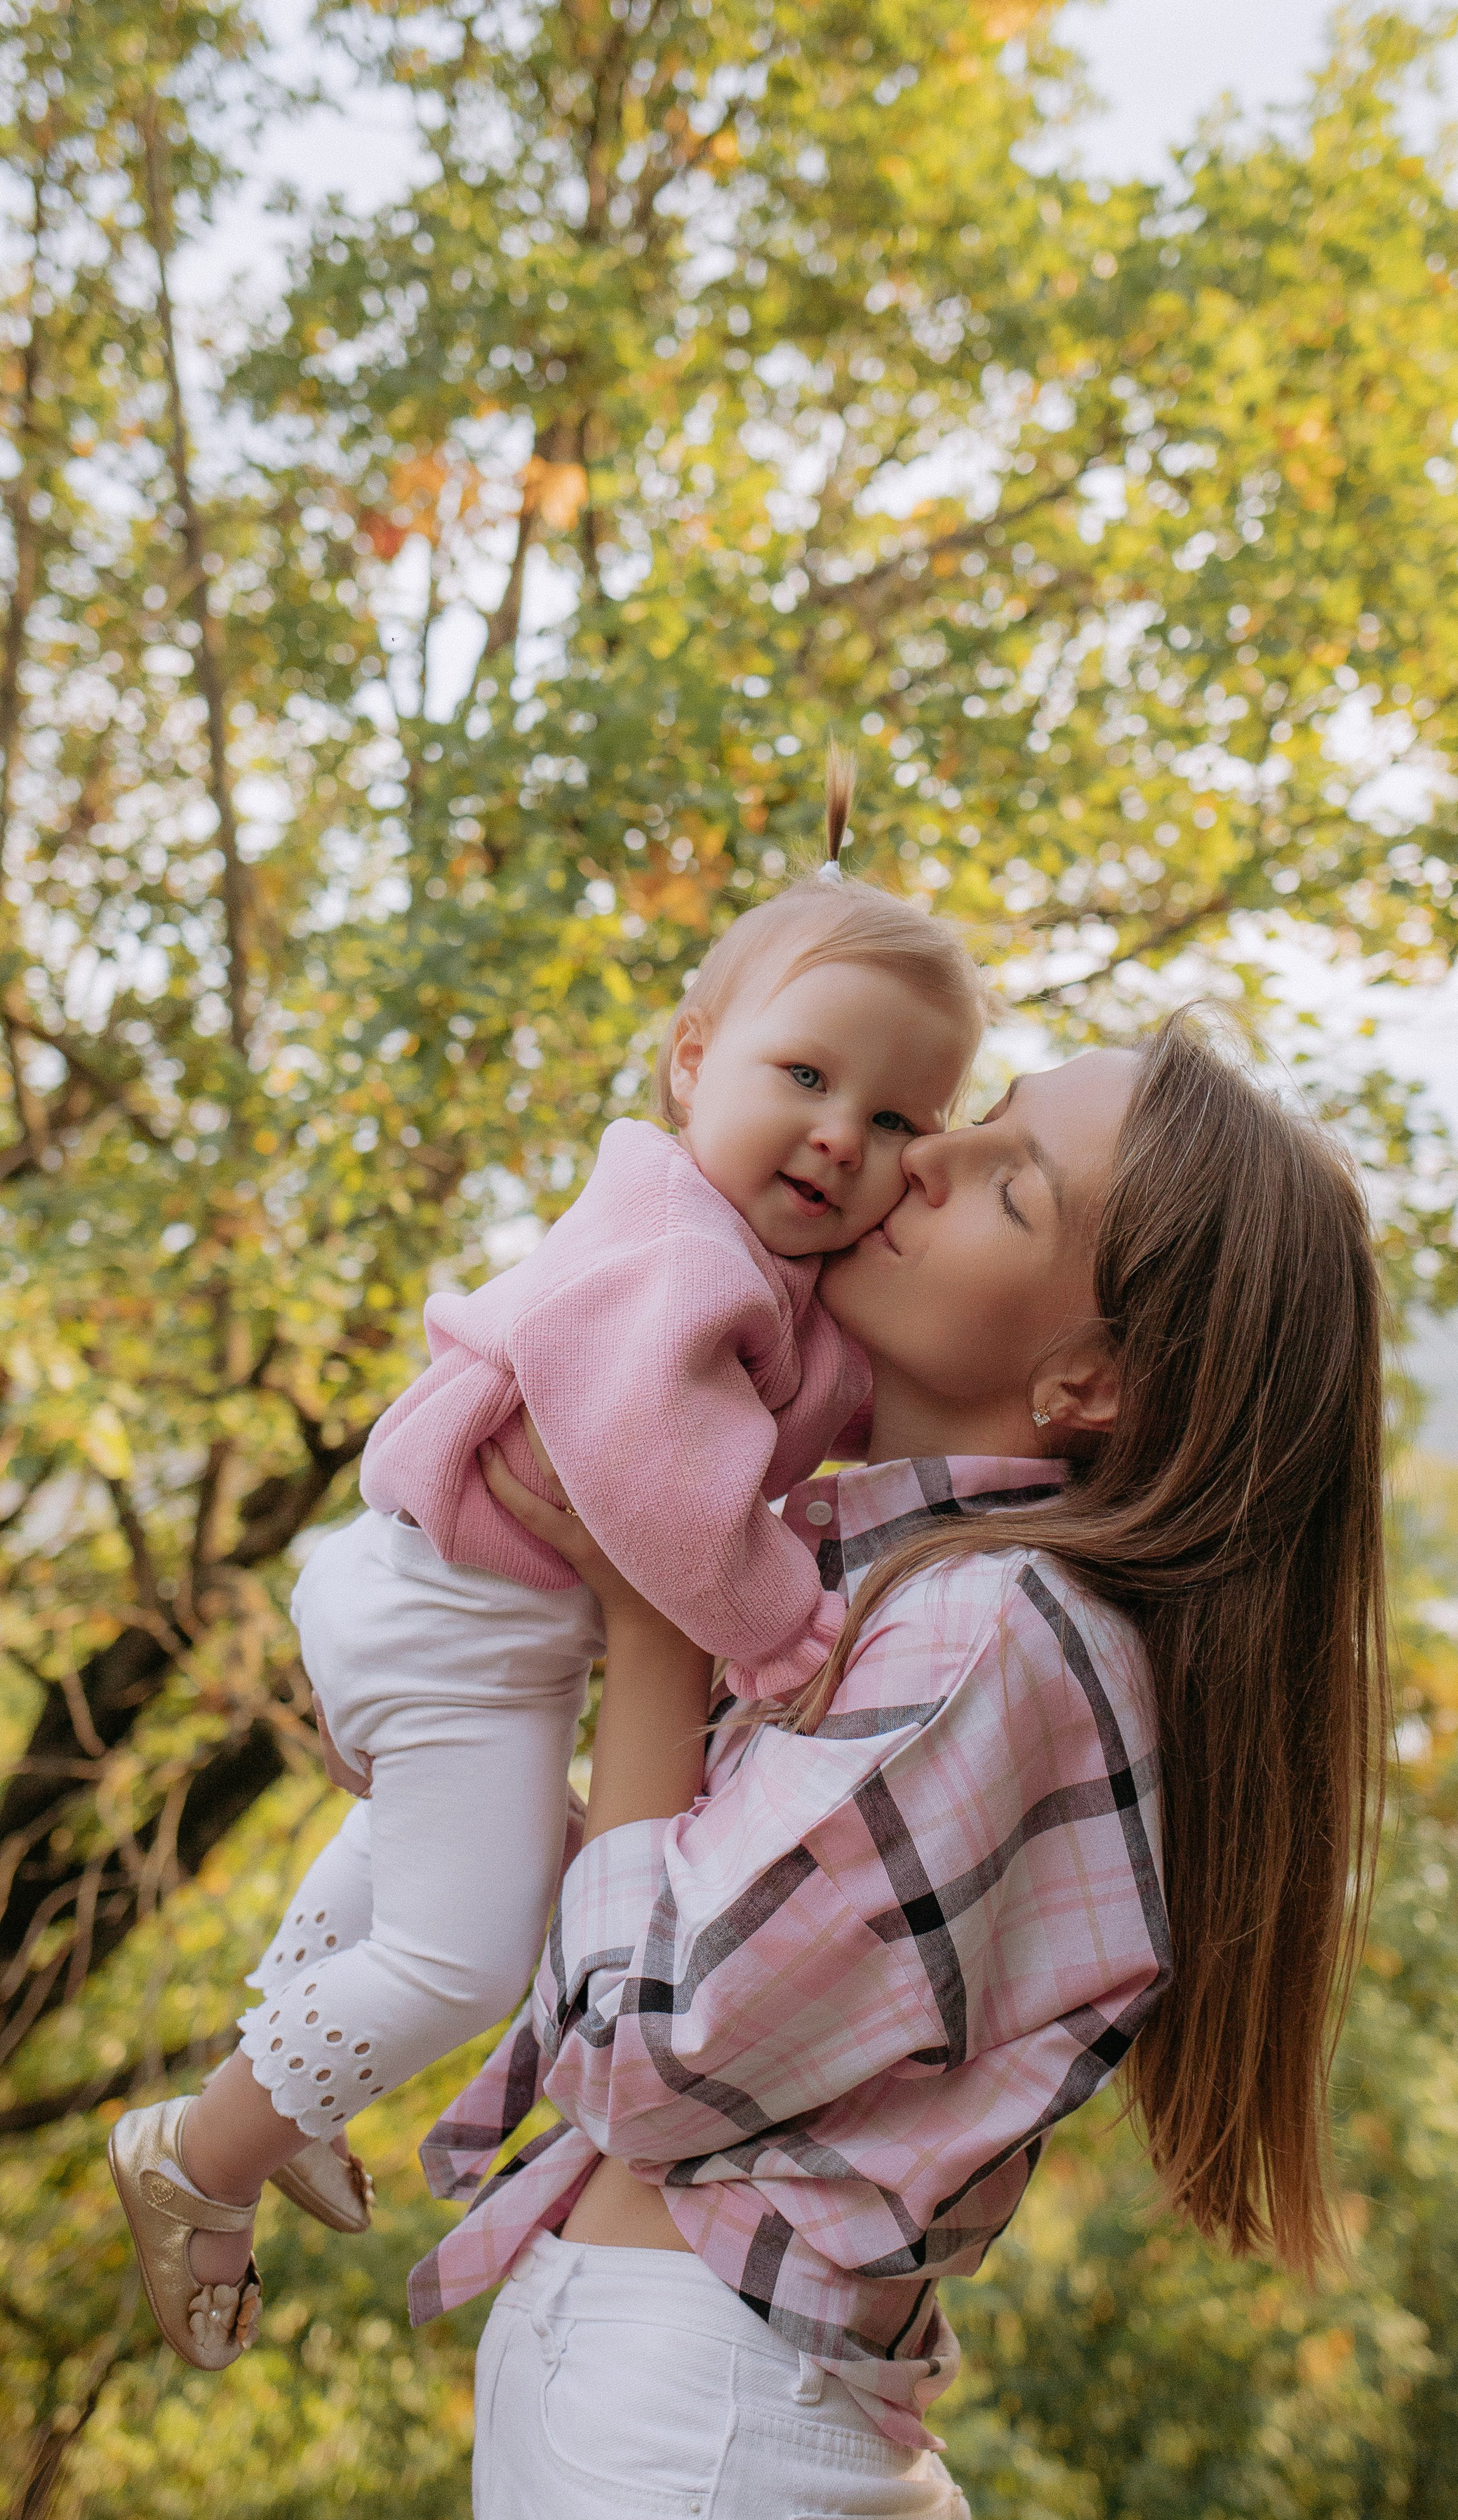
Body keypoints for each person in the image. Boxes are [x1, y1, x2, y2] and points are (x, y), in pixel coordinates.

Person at [416, 1017, 1388, 2520]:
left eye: (1009, 1185)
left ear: (1091, 1385)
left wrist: (655, 1613)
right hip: (677, 2425)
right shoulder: (913, 1595)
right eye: (981, 1117)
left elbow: (649, 2050)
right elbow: (681, 1938)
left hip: (702, 2447)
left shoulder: (986, 1631)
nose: (922, 1155)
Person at [106, 759, 987, 2371]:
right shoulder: (667, 1249)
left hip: (453, 1606)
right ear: (692, 1058)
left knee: (438, 1856)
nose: (834, 1135)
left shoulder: (756, 1260)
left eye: (893, 1124)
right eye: (803, 1074)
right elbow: (663, 1486)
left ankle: (293, 2072)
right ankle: (200, 2157)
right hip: (452, 1617)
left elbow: (825, 1399)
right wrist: (784, 1632)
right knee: (465, 1954)